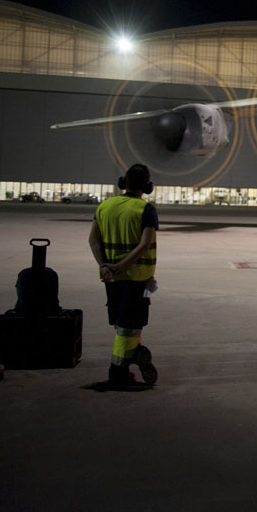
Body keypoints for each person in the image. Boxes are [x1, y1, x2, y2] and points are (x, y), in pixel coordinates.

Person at [88, 164, 159, 387]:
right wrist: (119, 266)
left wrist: (104, 266)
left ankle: (134, 354)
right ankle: (119, 370)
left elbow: (93, 240)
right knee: (130, 325)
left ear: (123, 182)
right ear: (147, 186)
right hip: (136, 278)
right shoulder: (145, 209)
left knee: (123, 323)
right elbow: (144, 245)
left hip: (112, 278)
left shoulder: (105, 206)